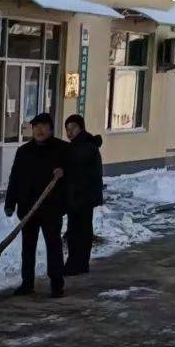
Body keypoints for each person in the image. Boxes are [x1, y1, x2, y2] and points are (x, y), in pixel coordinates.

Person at [4, 113, 68, 297]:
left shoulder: (62, 149)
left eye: (43, 126)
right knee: (28, 247)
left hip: (51, 207)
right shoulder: (23, 151)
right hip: (27, 207)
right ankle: (27, 282)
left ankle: (57, 283)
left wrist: (64, 172)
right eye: (36, 127)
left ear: (50, 129)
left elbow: (75, 174)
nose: (39, 130)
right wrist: (10, 202)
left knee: (53, 246)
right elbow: (14, 178)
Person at [62, 114, 103, 276]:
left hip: (83, 197)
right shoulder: (79, 146)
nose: (69, 132)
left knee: (79, 231)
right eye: (67, 129)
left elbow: (77, 170)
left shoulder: (86, 148)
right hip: (78, 196)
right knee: (77, 230)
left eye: (73, 128)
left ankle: (77, 263)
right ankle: (78, 263)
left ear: (81, 128)